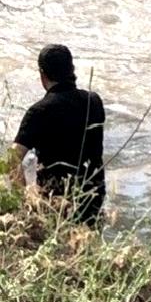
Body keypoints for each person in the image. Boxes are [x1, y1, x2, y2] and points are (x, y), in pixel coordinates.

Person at [9, 44, 106, 227]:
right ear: (71, 69)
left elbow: (13, 159)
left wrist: (26, 196)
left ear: (42, 75)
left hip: (55, 204)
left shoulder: (39, 111)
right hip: (92, 199)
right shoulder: (94, 102)